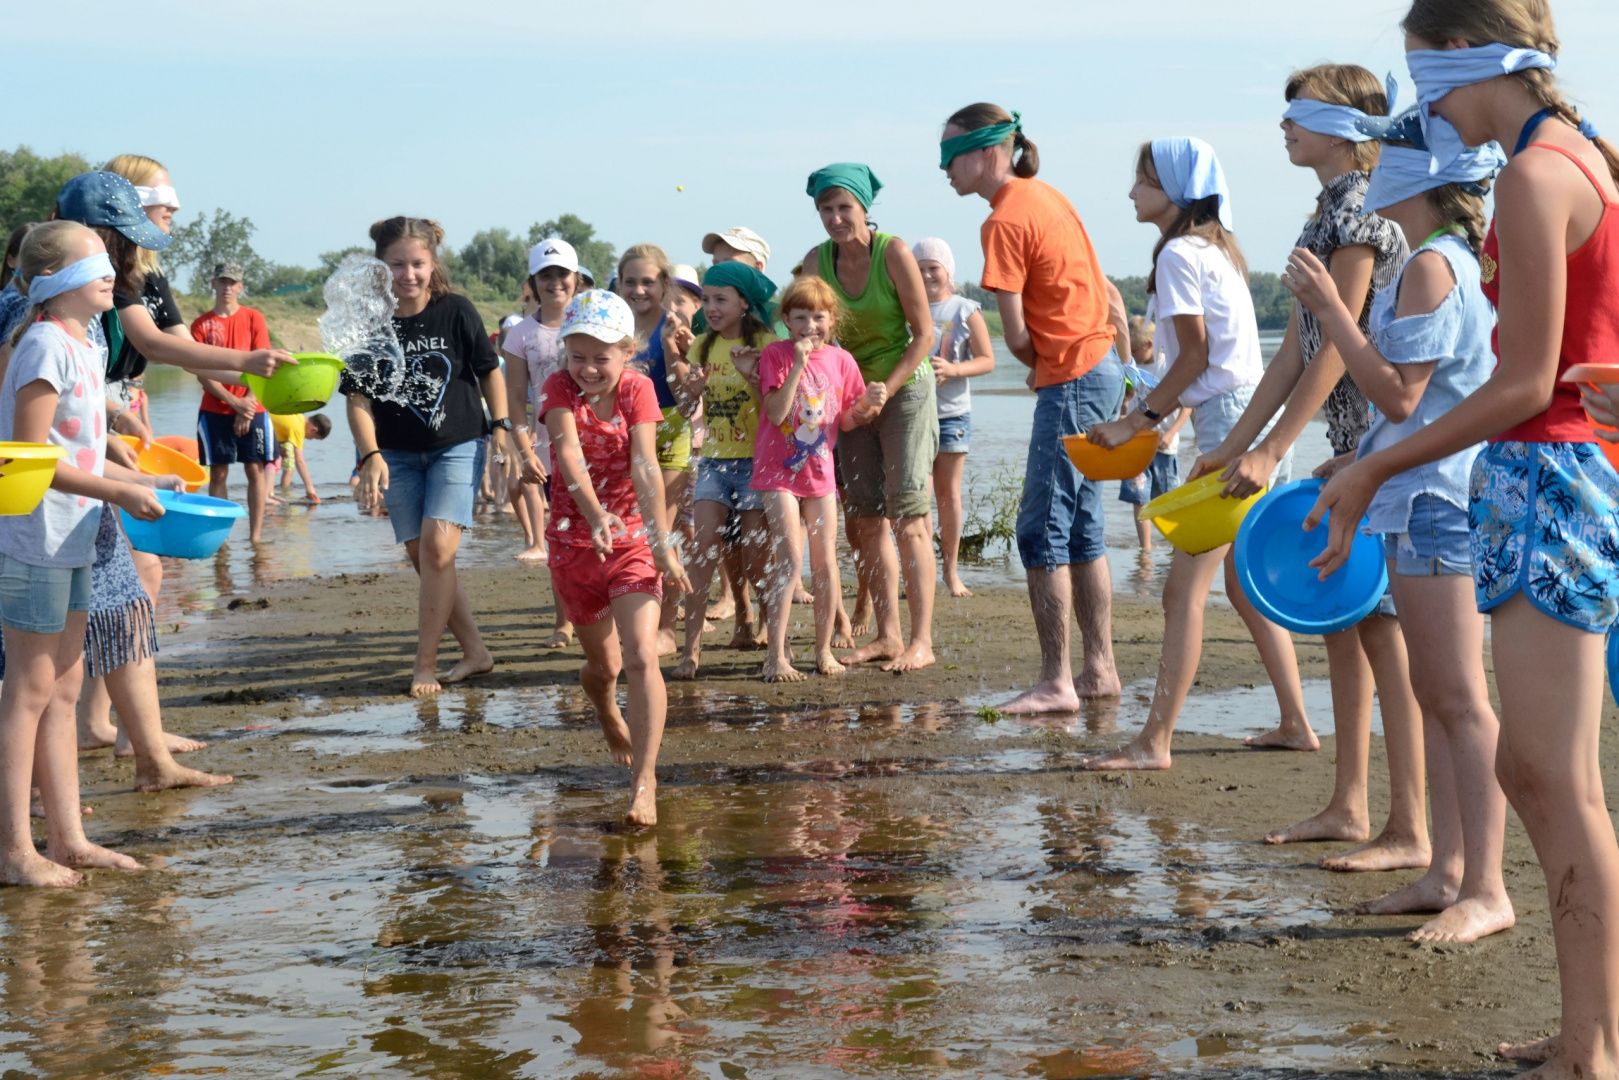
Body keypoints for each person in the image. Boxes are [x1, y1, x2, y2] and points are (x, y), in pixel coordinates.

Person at [1309, 4, 1619, 1067]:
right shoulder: (1563, 156)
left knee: (1553, 777)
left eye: (1422, 76)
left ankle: (1596, 1047)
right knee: (1535, 773)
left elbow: (1525, 381)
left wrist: (1373, 464)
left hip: (1547, 473)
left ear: (1456, 56)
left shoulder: (1537, 176)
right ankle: (1584, 1029)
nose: (1422, 105)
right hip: (1546, 472)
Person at [1285, 103, 1512, 942]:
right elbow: (1433, 401)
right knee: (1438, 692)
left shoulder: (1428, 267)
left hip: (1437, 502)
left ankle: (1485, 885)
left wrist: (1327, 307)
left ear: (1420, 178)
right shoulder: (1438, 258)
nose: (1374, 171)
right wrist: (1354, 462)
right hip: (1420, 491)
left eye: (1391, 161)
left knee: (1456, 697)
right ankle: (1447, 870)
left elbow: (1400, 393)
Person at [1189, 68, 1427, 865]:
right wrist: (1237, 440)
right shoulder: (1324, 211)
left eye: (1298, 115)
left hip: (1385, 446)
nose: (1283, 126)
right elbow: (1294, 345)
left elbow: (1337, 342)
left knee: (1384, 632)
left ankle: (1410, 825)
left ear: (1344, 127)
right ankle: (1351, 804)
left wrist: (1266, 449)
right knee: (1341, 616)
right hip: (1349, 446)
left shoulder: (1362, 211)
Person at [1082, 137, 1316, 774]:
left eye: (1143, 181)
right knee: (1243, 588)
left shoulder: (1179, 253)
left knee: (1181, 593)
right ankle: (1296, 722)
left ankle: (1153, 743)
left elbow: (1193, 357)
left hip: (1232, 424)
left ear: (1177, 193)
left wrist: (1139, 419)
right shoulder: (1215, 249)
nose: (1131, 193)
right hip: (1257, 415)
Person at [940, 104, 1123, 709]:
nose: (942, 168)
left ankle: (1056, 682)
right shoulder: (1046, 195)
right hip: (1101, 370)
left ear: (987, 152)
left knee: (1040, 529)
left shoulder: (1003, 220)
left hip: (1071, 376)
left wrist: (1043, 366)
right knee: (1083, 528)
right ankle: (1099, 671)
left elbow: (1016, 337)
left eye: (949, 154)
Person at [0, 221, 163, 885]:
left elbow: (81, 447)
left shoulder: (85, 341)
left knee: (64, 687)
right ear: (53, 281)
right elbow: (26, 460)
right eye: (92, 261)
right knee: (28, 690)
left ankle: (68, 839)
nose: (108, 269)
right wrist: (118, 491)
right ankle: (14, 848)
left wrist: (137, 480)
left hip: (74, 535)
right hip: (34, 540)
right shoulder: (42, 344)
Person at [343, 216, 514, 697]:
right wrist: (369, 454)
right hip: (394, 454)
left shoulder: (456, 310)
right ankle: (476, 651)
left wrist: (501, 427)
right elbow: (357, 400)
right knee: (426, 558)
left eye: (417, 263)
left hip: (457, 445)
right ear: (380, 266)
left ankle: (425, 664)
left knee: (440, 550)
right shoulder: (369, 324)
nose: (408, 274)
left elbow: (489, 371)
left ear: (432, 261)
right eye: (396, 264)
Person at [539, 289, 689, 826]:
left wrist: (663, 544)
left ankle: (644, 782)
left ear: (627, 351)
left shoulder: (639, 389)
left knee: (643, 656)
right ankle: (604, 706)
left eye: (600, 357)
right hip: (572, 539)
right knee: (605, 667)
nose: (587, 368)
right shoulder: (557, 387)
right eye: (577, 356)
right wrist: (593, 511)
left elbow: (647, 466)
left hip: (631, 540)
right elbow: (567, 452)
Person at [800, 163, 938, 672]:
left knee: (908, 516)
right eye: (826, 209)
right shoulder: (818, 259)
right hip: (848, 398)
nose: (836, 218)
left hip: (904, 389)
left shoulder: (894, 253)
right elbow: (799, 317)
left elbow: (924, 335)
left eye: (844, 207)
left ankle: (921, 641)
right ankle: (887, 635)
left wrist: (886, 391)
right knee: (863, 519)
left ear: (864, 208)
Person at [753, 275, 886, 680]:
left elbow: (846, 419)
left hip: (821, 473)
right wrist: (797, 363)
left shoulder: (843, 361)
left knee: (826, 563)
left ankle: (823, 651)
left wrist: (868, 406)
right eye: (800, 317)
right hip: (776, 472)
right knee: (791, 557)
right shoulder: (775, 355)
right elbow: (776, 413)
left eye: (819, 317)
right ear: (786, 321)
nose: (810, 325)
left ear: (832, 321)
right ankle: (775, 655)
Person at [670, 260, 779, 680]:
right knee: (702, 550)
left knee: (756, 556)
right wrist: (690, 391)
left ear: (744, 303)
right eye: (707, 299)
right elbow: (684, 408)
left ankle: (772, 628)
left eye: (720, 299)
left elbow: (776, 408)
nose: (710, 308)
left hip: (757, 463)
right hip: (714, 462)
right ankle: (691, 653)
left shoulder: (767, 344)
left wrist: (752, 377)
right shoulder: (701, 347)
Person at [616, 244, 695, 655]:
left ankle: (666, 626)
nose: (639, 289)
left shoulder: (675, 325)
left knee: (659, 532)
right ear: (619, 283)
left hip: (670, 431)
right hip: (626, 432)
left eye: (648, 281)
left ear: (664, 284)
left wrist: (671, 349)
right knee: (628, 530)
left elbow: (687, 395)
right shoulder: (613, 325)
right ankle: (633, 616)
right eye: (631, 281)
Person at [504, 237, 579, 645]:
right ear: (533, 281)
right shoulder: (521, 335)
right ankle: (563, 622)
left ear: (576, 278)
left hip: (599, 447)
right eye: (545, 275)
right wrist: (523, 449)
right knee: (562, 537)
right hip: (550, 452)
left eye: (562, 274)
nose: (555, 283)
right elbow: (516, 399)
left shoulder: (590, 319)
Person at [912, 238, 995, 599]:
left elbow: (988, 359)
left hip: (951, 414)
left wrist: (954, 368)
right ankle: (923, 570)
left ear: (948, 271)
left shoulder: (964, 309)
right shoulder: (905, 306)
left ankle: (951, 571)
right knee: (918, 495)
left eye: (933, 267)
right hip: (912, 414)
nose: (927, 274)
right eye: (919, 268)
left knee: (948, 493)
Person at [192, 261, 275, 542]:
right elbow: (201, 373)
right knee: (218, 473)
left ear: (240, 287)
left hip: (254, 406)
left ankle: (255, 537)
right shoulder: (201, 325)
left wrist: (247, 407)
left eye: (233, 282)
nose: (227, 287)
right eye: (222, 281)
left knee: (255, 469)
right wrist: (233, 402)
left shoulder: (254, 318)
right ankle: (221, 539)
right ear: (213, 284)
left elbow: (264, 365)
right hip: (215, 408)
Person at [1118, 317, 1189, 551]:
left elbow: (1188, 404)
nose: (1132, 354)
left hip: (1163, 446)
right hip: (1136, 444)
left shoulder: (1167, 367)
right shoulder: (1131, 368)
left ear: (1150, 344)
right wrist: (1122, 415)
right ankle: (1145, 550)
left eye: (1135, 350)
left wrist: (1172, 432)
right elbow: (1127, 396)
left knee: (1168, 500)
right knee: (1139, 497)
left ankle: (1176, 546)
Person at [271, 412, 331, 502]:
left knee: (285, 465)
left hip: (265, 422)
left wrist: (279, 446)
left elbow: (281, 424)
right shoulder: (299, 429)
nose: (310, 440)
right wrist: (310, 487)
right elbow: (299, 461)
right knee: (277, 467)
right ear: (313, 430)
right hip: (260, 427)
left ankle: (281, 491)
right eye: (314, 438)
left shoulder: (298, 416)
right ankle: (278, 494)